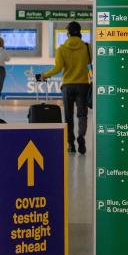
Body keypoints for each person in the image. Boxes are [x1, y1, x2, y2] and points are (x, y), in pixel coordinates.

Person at [37, 21, 92, 155]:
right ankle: (81, 136)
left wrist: (44, 75)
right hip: (83, 85)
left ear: (67, 33)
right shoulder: (87, 47)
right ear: (80, 32)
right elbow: (90, 62)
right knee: (82, 114)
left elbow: (57, 68)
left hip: (67, 86)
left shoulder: (61, 49)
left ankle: (71, 144)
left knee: (68, 116)